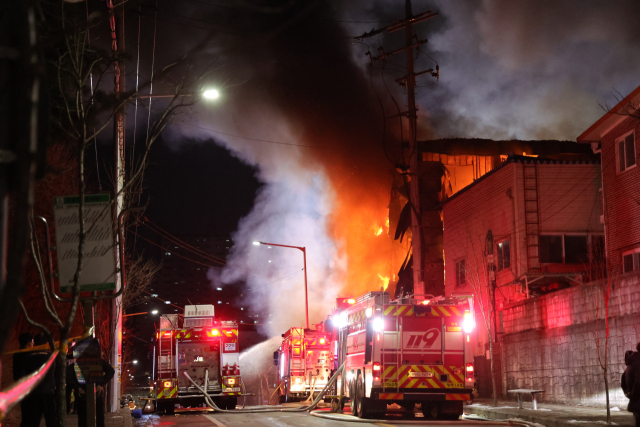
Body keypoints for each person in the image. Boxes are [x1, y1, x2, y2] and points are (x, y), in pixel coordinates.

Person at [22, 333, 56, 427]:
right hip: (48, 393)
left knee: (34, 421)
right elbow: (50, 374)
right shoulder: (50, 356)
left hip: (33, 393)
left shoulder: (28, 357)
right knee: (51, 421)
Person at [13, 332, 34, 427]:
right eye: (32, 341)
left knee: (25, 413)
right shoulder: (30, 354)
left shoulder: (17, 354)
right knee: (30, 414)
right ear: (29, 343)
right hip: (29, 386)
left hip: (19, 385)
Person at [622, 343, 640, 427]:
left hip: (636, 402)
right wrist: (632, 394)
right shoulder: (637, 364)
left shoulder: (630, 365)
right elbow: (638, 384)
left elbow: (623, 383)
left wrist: (629, 394)